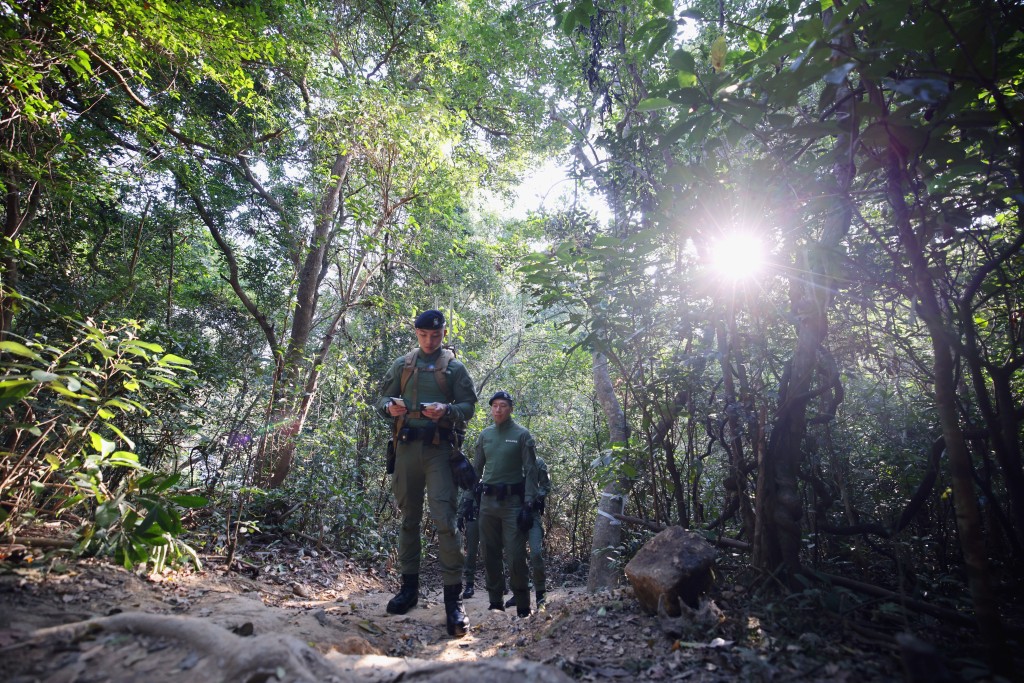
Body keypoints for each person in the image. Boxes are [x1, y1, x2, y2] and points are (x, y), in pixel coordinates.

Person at [376, 309, 478, 637]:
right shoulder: (402, 365)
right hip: (405, 449)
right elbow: (380, 400)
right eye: (423, 335)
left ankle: (453, 602)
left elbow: (469, 408)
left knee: (446, 521)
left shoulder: (454, 368)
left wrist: (447, 410)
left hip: (439, 451)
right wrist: (389, 407)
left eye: (435, 335)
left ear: (443, 334)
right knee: (408, 519)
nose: (429, 340)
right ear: (416, 333)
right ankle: (408, 590)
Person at [474, 390, 538, 617]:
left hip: (513, 504)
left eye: (503, 405)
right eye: (494, 406)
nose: (498, 409)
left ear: (510, 408)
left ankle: (522, 604)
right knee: (489, 554)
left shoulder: (521, 435)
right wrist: (468, 501)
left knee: (515, 556)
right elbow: (476, 470)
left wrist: (529, 502)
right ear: (490, 409)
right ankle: (495, 603)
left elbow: (531, 470)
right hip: (487, 503)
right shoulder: (485, 435)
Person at [505, 456, 549, 610]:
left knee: (536, 553)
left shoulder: (538, 463)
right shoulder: (510, 462)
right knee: (515, 557)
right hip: (513, 513)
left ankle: (540, 595)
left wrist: (537, 497)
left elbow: (545, 485)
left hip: (532, 514)